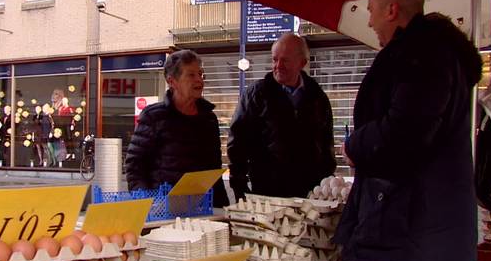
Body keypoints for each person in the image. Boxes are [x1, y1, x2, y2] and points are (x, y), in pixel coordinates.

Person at [333, 0, 482, 261]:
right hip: (428, 222)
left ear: (392, 10)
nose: (368, 21)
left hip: (408, 220)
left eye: (371, 11)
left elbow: (406, 132)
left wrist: (356, 144)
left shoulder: (420, 56)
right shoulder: (438, 55)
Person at [227, 33, 336, 200]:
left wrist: (327, 184)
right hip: (267, 193)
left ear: (302, 63)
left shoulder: (317, 97)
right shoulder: (257, 94)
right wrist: (239, 186)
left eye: (285, 60)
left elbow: (326, 143)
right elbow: (238, 143)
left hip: (309, 194)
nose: (278, 65)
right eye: (274, 59)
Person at [125, 50, 229, 207]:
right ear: (172, 81)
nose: (199, 80)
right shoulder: (153, 116)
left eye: (200, 74)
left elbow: (214, 169)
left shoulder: (209, 118)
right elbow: (135, 166)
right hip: (163, 210)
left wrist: (222, 208)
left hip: (203, 209)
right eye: (191, 75)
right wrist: (147, 204)